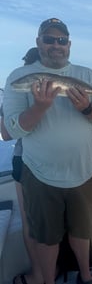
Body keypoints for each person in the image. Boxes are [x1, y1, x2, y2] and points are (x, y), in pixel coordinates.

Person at [2, 18, 92, 284]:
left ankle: (85, 275)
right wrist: (39, 107)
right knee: (46, 237)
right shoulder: (19, 77)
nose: (56, 45)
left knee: (82, 232)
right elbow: (11, 131)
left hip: (83, 172)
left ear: (69, 44)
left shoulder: (86, 75)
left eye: (61, 40)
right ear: (38, 42)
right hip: (39, 175)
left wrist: (86, 107)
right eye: (49, 39)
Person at [0, 48, 45, 284]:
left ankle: (39, 275)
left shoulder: (16, 92)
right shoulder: (57, 93)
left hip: (25, 159)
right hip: (53, 162)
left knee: (30, 220)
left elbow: (6, 133)